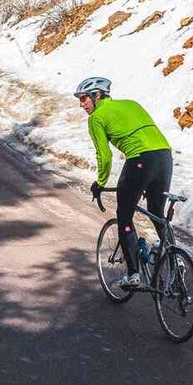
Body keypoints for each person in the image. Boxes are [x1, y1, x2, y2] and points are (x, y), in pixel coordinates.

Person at [76, 75, 172, 288]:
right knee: (157, 212)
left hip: (140, 160)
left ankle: (133, 274)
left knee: (124, 216)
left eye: (83, 98)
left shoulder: (96, 117)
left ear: (97, 95)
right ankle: (173, 259)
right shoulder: (132, 104)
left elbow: (105, 156)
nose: (81, 104)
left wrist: (100, 183)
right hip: (165, 157)